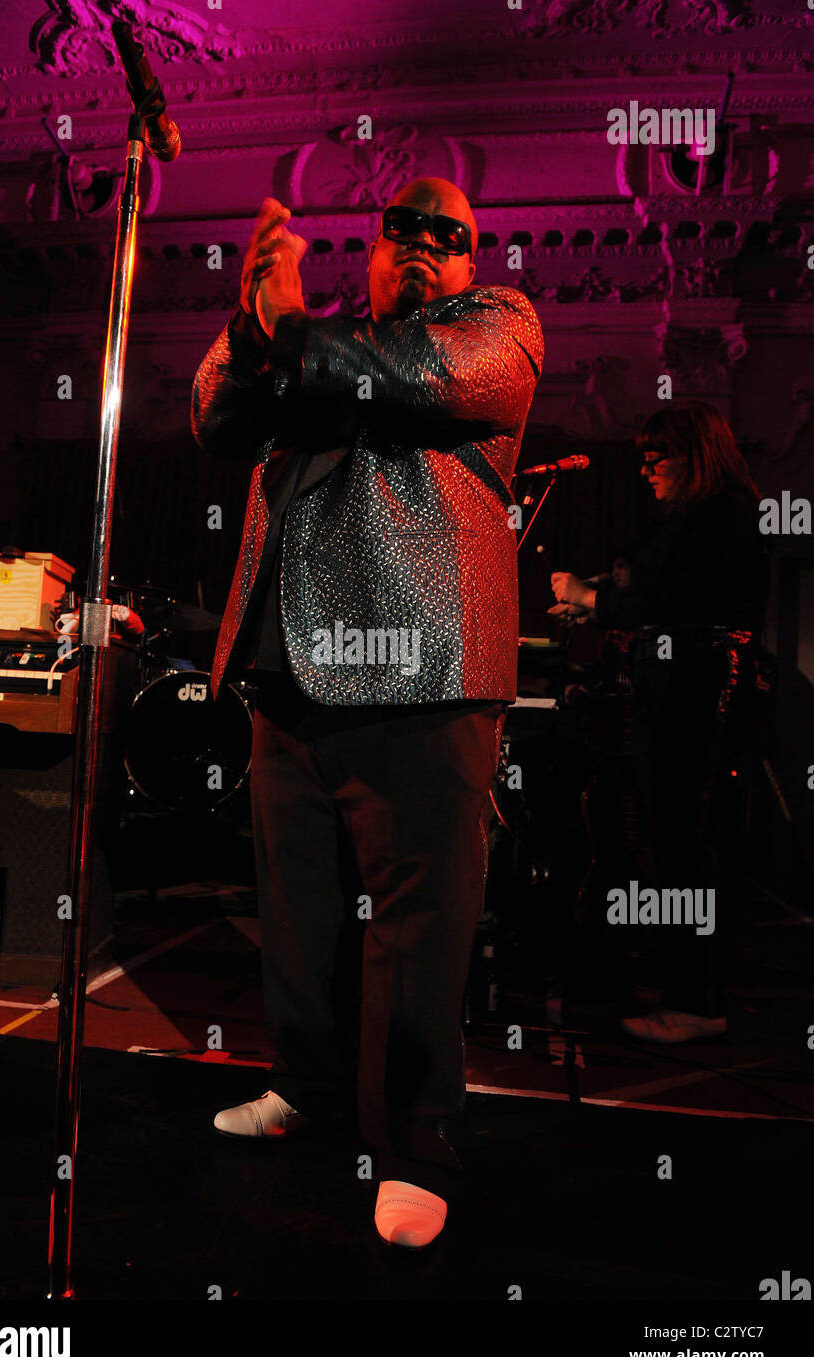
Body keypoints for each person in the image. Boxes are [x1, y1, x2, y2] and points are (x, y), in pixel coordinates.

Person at [191, 179, 544, 1246]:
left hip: (424, 664)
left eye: (454, 236)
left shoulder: (499, 327)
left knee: (418, 923)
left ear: (474, 260)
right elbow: (215, 415)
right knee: (297, 909)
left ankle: (415, 1142)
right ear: (372, 250)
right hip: (286, 669)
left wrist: (287, 333)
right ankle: (307, 1084)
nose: (428, 247)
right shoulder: (309, 348)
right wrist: (252, 326)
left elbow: (412, 384)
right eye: (405, 230)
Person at [549, 402, 770, 1043]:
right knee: (664, 836)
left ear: (694, 457)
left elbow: (674, 599)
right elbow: (652, 585)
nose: (647, 470)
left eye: (658, 457)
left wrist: (593, 600)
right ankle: (680, 981)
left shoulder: (722, 516)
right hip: (674, 690)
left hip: (694, 695)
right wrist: (599, 602)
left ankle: (697, 999)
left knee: (682, 839)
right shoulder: (696, 517)